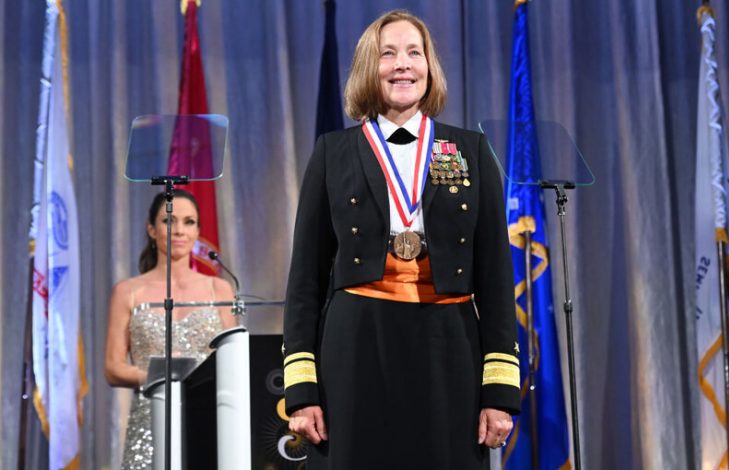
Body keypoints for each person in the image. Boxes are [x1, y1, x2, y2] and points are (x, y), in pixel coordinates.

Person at [283, 10, 521, 469]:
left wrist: (499, 393)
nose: (402, 65)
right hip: (356, 347)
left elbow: (496, 279)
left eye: (414, 52)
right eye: (387, 54)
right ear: (368, 68)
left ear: (430, 66)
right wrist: (302, 391)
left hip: (448, 347)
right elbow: (304, 284)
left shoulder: (471, 151)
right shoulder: (332, 152)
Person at [104, 189, 238, 469]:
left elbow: (232, 362)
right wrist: (160, 378)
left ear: (198, 231)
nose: (179, 231)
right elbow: (113, 368)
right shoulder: (127, 292)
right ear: (152, 230)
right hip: (149, 423)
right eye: (169, 221)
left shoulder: (220, 288)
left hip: (207, 420)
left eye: (189, 222)